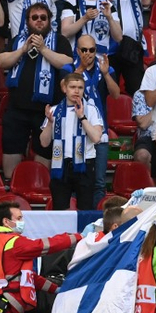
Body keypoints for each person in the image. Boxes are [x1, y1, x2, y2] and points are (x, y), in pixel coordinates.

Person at [0, 2, 74, 179]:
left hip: (45, 112)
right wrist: (23, 49)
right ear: (27, 21)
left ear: (49, 21)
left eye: (43, 18)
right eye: (35, 18)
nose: (39, 21)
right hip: (17, 109)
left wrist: (43, 49)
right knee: (11, 152)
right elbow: (2, 61)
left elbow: (67, 62)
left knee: (44, 156)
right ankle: (13, 187)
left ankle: (38, 187)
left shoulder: (59, 40)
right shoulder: (18, 40)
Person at [68, 33, 120, 205]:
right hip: (76, 131)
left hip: (99, 131)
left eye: (91, 50)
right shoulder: (70, 68)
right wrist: (79, 72)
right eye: (84, 50)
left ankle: (96, 218)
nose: (88, 53)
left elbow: (116, 94)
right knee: (76, 182)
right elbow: (64, 91)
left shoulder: (105, 67)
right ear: (77, 51)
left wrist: (105, 74)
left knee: (99, 182)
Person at [40, 72, 104, 210]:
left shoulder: (91, 110)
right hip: (61, 164)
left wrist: (82, 117)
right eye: (72, 87)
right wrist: (50, 123)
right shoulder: (54, 110)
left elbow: (96, 138)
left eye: (80, 87)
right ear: (65, 89)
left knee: (85, 210)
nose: (76, 91)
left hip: (85, 164)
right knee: (60, 210)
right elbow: (44, 143)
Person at [104, 0, 152, 94]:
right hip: (112, 47)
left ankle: (136, 116)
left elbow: (147, 1)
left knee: (136, 88)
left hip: (133, 46)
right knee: (111, 90)